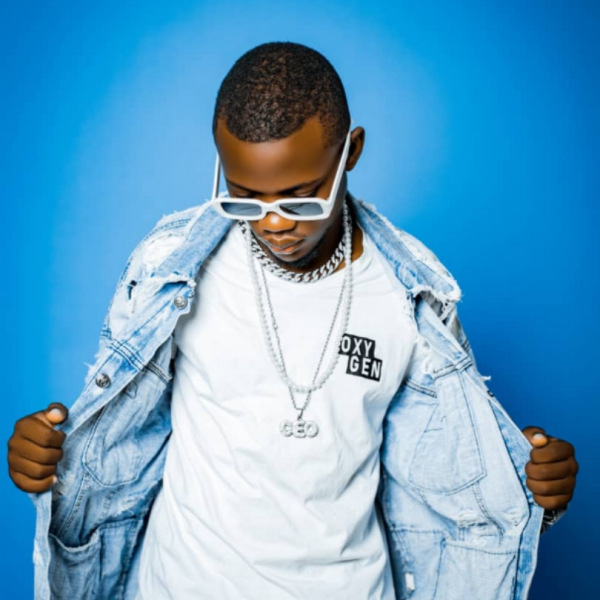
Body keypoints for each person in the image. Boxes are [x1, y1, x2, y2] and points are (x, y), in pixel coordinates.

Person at [7, 42, 577, 600]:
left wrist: (531, 489)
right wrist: (49, 463)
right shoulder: (169, 270)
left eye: (301, 199)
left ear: (350, 152)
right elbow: (114, 440)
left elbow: (450, 478)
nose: (274, 224)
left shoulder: (414, 298)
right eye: (245, 199)